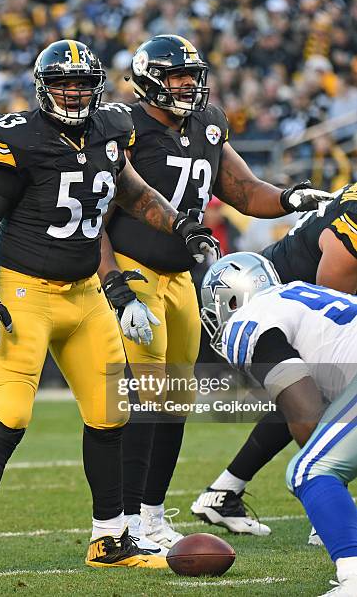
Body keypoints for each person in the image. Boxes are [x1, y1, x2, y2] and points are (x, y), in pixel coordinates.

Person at [0, 39, 222, 578]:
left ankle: (109, 539)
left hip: (85, 296)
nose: (73, 93)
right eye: (63, 84)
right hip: (25, 292)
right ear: (43, 89)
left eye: (82, 84)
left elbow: (134, 194)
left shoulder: (113, 129)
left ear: (98, 88)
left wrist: (180, 223)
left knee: (111, 413)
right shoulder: (18, 138)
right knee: (10, 416)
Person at [98, 34, 333, 548]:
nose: (188, 83)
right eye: (176, 74)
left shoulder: (208, 122)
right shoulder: (122, 127)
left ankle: (153, 515)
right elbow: (96, 221)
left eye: (191, 73)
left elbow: (245, 191)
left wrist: (292, 196)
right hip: (135, 272)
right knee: (144, 399)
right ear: (147, 80)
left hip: (183, 277)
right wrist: (114, 285)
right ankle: (126, 521)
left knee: (174, 401)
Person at [192, 182, 357, 538]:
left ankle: (224, 491)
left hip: (295, 295)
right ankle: (326, 503)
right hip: (275, 300)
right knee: (316, 396)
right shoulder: (351, 231)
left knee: (309, 397)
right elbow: (337, 297)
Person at [200, 252, 357, 597]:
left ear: (230, 298)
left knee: (310, 471)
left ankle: (353, 577)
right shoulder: (296, 294)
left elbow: (303, 408)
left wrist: (329, 500)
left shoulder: (248, 321)